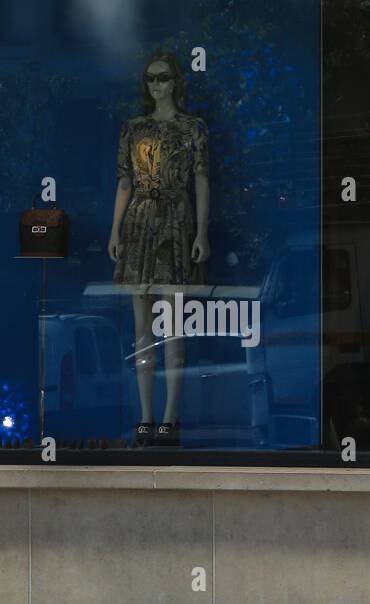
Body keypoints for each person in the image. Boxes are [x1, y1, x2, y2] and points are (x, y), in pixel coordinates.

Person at [108, 51, 211, 448]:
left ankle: (170, 417)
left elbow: (201, 180)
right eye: (151, 79)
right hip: (139, 222)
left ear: (176, 82)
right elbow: (124, 183)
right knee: (141, 330)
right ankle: (146, 416)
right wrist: (114, 230)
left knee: (172, 328)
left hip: (174, 221)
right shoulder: (133, 128)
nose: (157, 86)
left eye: (164, 78)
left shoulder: (192, 128)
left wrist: (201, 232)